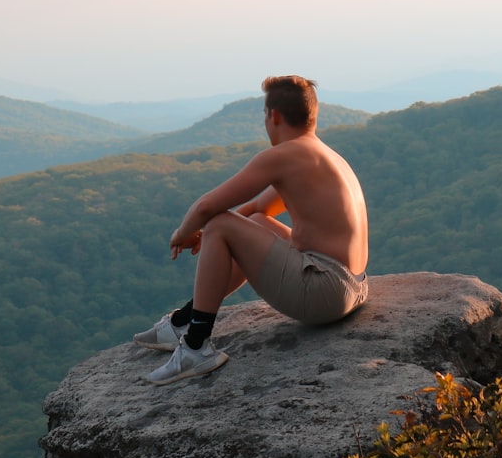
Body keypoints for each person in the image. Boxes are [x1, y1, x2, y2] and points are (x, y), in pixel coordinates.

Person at [134, 75, 369, 385]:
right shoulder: (324, 155)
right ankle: (186, 319)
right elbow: (259, 210)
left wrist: (184, 233)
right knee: (246, 225)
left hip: (324, 291)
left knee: (219, 223)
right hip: (354, 286)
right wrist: (216, 239)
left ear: (273, 116)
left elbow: (207, 208)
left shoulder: (284, 156)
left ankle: (195, 347)